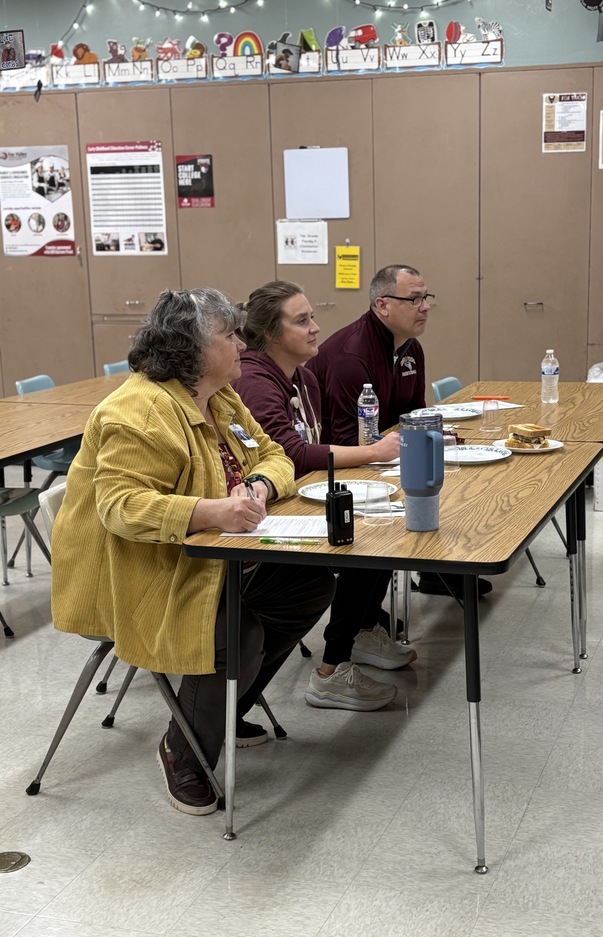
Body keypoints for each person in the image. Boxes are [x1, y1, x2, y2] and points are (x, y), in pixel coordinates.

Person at [50, 288, 336, 816]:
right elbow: (121, 507)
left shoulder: (220, 396)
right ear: (192, 350)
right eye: (228, 335)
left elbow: (276, 455)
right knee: (237, 635)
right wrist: (211, 512)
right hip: (144, 572)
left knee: (310, 583)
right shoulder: (138, 411)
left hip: (216, 558)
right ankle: (184, 752)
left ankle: (220, 711)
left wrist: (258, 488)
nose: (239, 343)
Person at [233, 280, 413, 717]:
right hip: (261, 520)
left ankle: (362, 633)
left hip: (295, 502)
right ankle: (331, 671)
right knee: (357, 543)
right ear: (272, 335)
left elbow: (319, 449)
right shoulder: (256, 381)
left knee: (380, 523)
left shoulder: (306, 378)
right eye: (302, 320)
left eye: (312, 317)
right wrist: (372, 452)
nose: (316, 328)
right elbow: (291, 457)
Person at [307, 263, 492, 598]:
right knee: (415, 489)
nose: (425, 307)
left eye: (426, 298)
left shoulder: (410, 348)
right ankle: (355, 628)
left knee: (445, 474)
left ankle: (436, 569)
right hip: (340, 468)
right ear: (382, 305)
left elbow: (414, 417)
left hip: (386, 457)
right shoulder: (350, 356)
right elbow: (349, 440)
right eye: (414, 299)